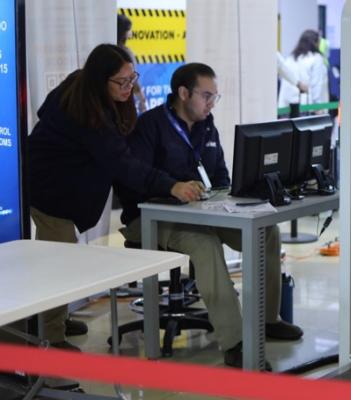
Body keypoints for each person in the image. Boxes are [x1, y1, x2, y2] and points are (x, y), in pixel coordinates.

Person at [115, 63, 303, 370]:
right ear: (183, 93)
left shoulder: (207, 126)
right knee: (204, 246)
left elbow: (220, 175)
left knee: (267, 232)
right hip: (153, 218)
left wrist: (234, 193)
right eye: (206, 96)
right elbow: (135, 178)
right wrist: (172, 187)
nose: (211, 103)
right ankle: (235, 342)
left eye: (216, 97)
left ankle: (268, 320)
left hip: (204, 212)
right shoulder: (150, 126)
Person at [21, 44, 201, 351]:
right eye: (122, 81)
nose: (129, 87)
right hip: (49, 190)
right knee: (57, 261)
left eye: (132, 78)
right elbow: (121, 162)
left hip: (71, 190)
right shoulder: (85, 112)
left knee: (64, 258)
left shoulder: (90, 91)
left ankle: (57, 321)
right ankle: (50, 338)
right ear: (99, 79)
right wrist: (170, 185)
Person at [277, 30, 328, 110]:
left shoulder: (290, 58)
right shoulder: (316, 58)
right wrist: (318, 108)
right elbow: (316, 86)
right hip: (306, 108)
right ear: (315, 43)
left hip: (285, 108)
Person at [117, 13, 147, 113]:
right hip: (125, 99)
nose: (130, 33)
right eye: (128, 29)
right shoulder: (125, 52)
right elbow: (133, 79)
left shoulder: (106, 50)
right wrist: (142, 99)